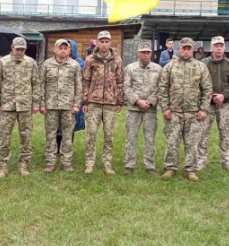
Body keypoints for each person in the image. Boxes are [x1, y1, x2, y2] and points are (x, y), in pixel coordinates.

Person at [158, 37, 212, 181]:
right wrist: (165, 107)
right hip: (174, 112)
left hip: (193, 112)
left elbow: (207, 89)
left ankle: (190, 169)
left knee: (192, 142)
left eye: (189, 49)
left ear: (192, 50)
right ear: (179, 49)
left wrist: (203, 109)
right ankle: (170, 167)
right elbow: (162, 88)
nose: (186, 51)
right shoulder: (170, 66)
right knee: (172, 141)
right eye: (184, 48)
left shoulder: (200, 67)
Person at [0, 37, 43, 177]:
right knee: (4, 136)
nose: (20, 52)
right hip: (7, 106)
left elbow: (36, 84)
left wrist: (36, 103)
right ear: (11, 48)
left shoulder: (31, 63)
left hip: (25, 106)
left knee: (26, 136)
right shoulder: (3, 62)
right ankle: (3, 165)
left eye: (22, 49)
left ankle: (23, 164)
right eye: (17, 49)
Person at [82, 31, 124, 174]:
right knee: (91, 133)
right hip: (93, 102)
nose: (104, 44)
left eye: (107, 41)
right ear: (97, 43)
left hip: (110, 103)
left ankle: (107, 163)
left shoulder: (117, 60)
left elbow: (120, 81)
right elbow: (86, 81)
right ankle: (89, 163)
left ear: (110, 43)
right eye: (102, 41)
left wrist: (119, 101)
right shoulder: (90, 60)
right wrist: (85, 101)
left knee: (108, 135)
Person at [41, 39, 82, 173]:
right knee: (50, 135)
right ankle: (50, 162)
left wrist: (76, 105)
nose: (63, 50)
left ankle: (66, 162)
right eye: (60, 48)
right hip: (51, 105)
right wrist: (42, 103)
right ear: (55, 49)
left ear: (69, 50)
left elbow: (79, 86)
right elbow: (41, 85)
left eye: (66, 48)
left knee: (67, 135)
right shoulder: (47, 65)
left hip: (68, 106)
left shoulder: (74, 65)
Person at [198, 36, 229, 172]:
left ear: (224, 47)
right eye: (216, 45)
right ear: (211, 47)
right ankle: (201, 161)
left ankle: (226, 161)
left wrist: (223, 95)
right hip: (207, 104)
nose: (219, 48)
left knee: (225, 133)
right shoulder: (203, 63)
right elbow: (199, 82)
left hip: (225, 104)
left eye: (221, 45)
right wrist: (209, 96)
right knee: (203, 132)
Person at [123, 41, 161, 174]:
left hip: (150, 110)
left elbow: (161, 88)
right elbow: (126, 87)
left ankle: (150, 165)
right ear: (137, 53)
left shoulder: (158, 69)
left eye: (148, 52)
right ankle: (129, 164)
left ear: (151, 53)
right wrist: (137, 101)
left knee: (150, 138)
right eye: (143, 52)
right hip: (134, 109)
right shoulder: (130, 68)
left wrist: (150, 101)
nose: (145, 55)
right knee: (131, 137)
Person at [56, 39, 86, 154]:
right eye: (63, 47)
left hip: (73, 99)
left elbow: (81, 81)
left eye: (68, 47)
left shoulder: (79, 63)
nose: (65, 50)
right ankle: (57, 148)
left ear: (72, 49)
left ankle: (67, 149)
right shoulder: (55, 62)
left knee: (70, 124)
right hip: (58, 99)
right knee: (57, 124)